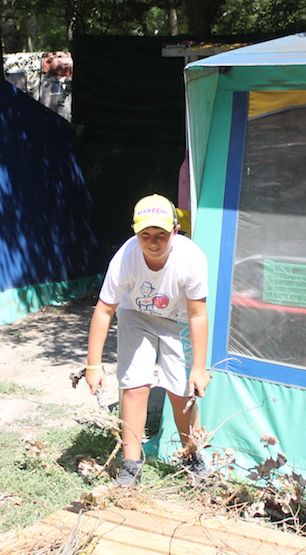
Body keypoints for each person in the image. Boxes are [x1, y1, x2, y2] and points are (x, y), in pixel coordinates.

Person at [85, 194, 211, 486]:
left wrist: (198, 367)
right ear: (134, 231)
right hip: (136, 315)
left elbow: (197, 315)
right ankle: (130, 466)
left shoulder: (191, 259)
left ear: (175, 232)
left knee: (181, 390)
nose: (153, 242)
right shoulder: (125, 259)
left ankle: (193, 456)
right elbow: (104, 310)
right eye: (145, 235)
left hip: (178, 319)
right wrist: (93, 365)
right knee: (134, 386)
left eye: (161, 235)